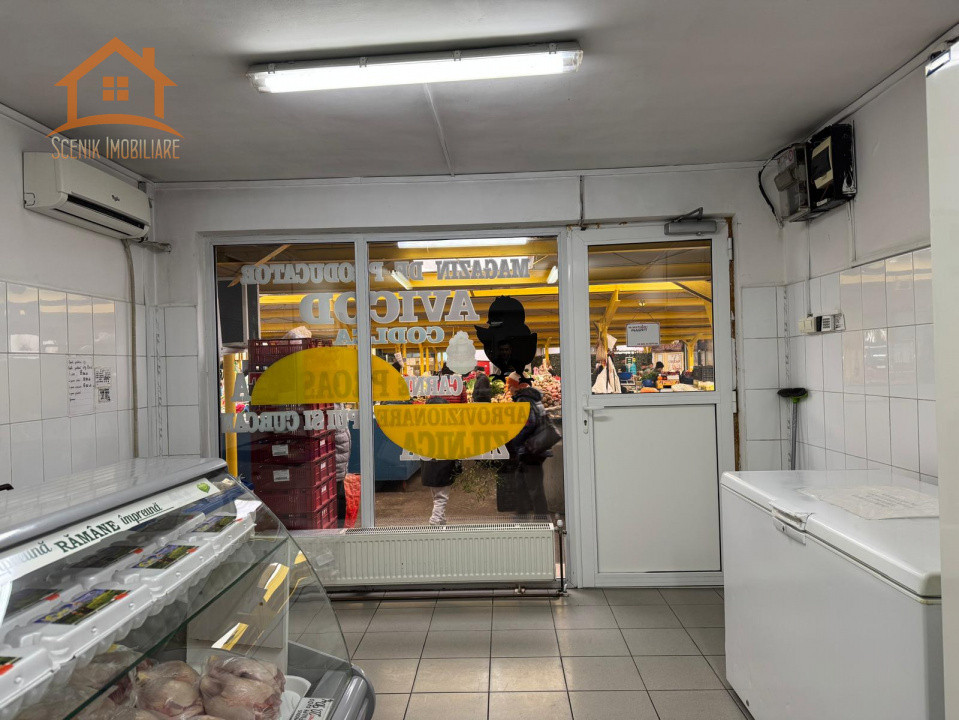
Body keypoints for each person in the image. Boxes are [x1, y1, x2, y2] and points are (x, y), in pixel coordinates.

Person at [505, 383, 551, 516]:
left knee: (534, 485)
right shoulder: (532, 398)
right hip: (533, 448)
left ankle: (540, 517)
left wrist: (515, 441)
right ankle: (522, 514)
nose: (509, 389)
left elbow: (528, 423)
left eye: (510, 385)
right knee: (522, 483)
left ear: (517, 386)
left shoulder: (524, 400)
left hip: (530, 449)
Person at [421, 397, 458, 524]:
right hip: (442, 468)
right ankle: (435, 520)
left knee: (437, 496)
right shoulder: (446, 428)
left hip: (429, 468)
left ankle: (441, 520)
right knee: (441, 497)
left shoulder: (426, 427)